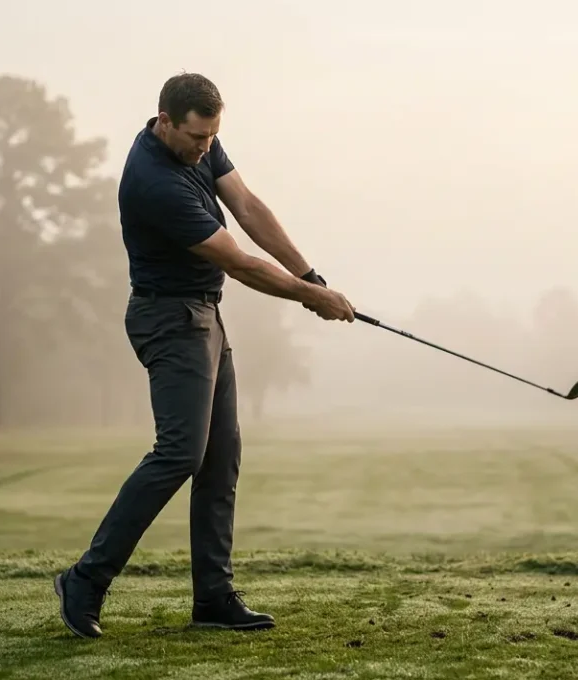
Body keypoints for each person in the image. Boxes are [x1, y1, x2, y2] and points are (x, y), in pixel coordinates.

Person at [54, 72, 356, 639]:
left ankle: (213, 598)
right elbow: (237, 262)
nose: (206, 147)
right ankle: (85, 581)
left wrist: (308, 274)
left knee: (221, 456)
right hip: (168, 320)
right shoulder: (152, 182)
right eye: (196, 137)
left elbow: (246, 204)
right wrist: (311, 298)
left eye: (213, 136)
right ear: (164, 120)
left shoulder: (203, 140)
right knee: (180, 453)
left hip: (203, 317)